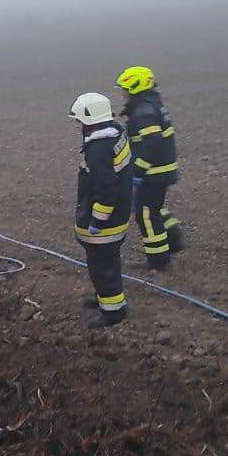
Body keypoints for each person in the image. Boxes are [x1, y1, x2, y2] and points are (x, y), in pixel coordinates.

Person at [70, 92, 134, 328]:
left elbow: (106, 189)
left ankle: (113, 311)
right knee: (106, 262)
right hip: (116, 216)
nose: (78, 125)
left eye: (79, 120)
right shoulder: (115, 135)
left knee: (102, 267)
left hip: (105, 223)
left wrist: (97, 220)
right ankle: (104, 298)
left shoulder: (98, 149)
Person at [116, 66, 184, 269]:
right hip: (161, 170)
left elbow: (152, 143)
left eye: (125, 89)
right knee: (154, 207)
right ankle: (173, 237)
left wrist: (138, 170)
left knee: (145, 214)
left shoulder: (144, 112)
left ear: (135, 88)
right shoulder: (151, 106)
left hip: (154, 172)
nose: (122, 94)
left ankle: (158, 260)